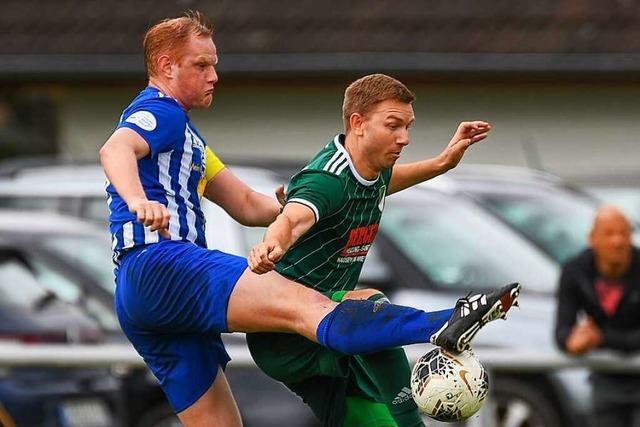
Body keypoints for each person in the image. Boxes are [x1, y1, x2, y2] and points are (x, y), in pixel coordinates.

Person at [99, 11, 520, 427]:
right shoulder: (162, 111)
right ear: (165, 66)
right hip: (160, 263)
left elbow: (246, 203)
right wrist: (138, 200)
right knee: (311, 307)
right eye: (201, 65)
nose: (214, 76)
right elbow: (115, 149)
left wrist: (297, 202)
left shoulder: (188, 140)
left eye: (215, 64)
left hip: (143, 299)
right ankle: (446, 320)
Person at [245, 73, 520, 427]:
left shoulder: (372, 171)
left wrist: (442, 163)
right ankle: (446, 321)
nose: (404, 138)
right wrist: (271, 244)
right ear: (357, 124)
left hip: (333, 338)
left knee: (373, 420)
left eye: (408, 127)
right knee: (369, 301)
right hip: (287, 334)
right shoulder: (327, 179)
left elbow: (388, 181)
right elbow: (294, 218)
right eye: (393, 125)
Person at [555, 205, 640, 427]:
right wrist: (572, 342)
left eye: (624, 233)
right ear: (592, 238)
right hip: (606, 380)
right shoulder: (575, 270)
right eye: (610, 233)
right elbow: (562, 330)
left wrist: (600, 338)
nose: (618, 241)